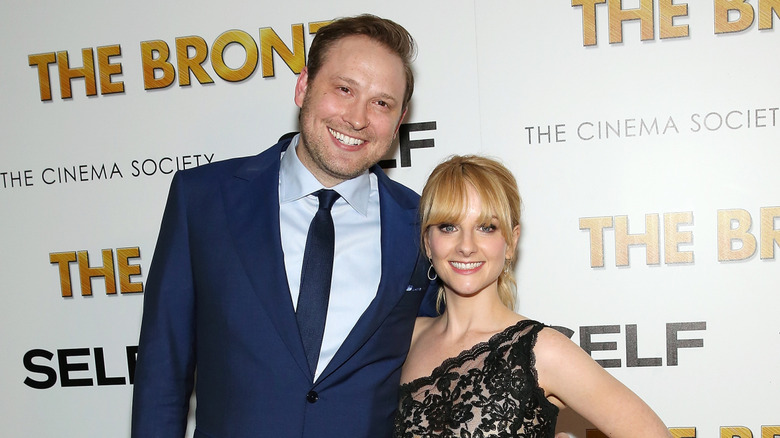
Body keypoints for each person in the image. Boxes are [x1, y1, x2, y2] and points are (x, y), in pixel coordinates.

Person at [131, 14, 436, 438]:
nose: (357, 118)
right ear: (303, 86)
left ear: (400, 119)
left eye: (381, 103)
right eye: (344, 89)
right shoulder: (203, 199)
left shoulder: (424, 227)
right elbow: (162, 371)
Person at [394, 155, 672, 438]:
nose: (466, 246)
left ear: (512, 241)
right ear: (428, 242)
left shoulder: (541, 351)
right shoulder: (406, 337)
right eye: (448, 227)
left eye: (486, 227)